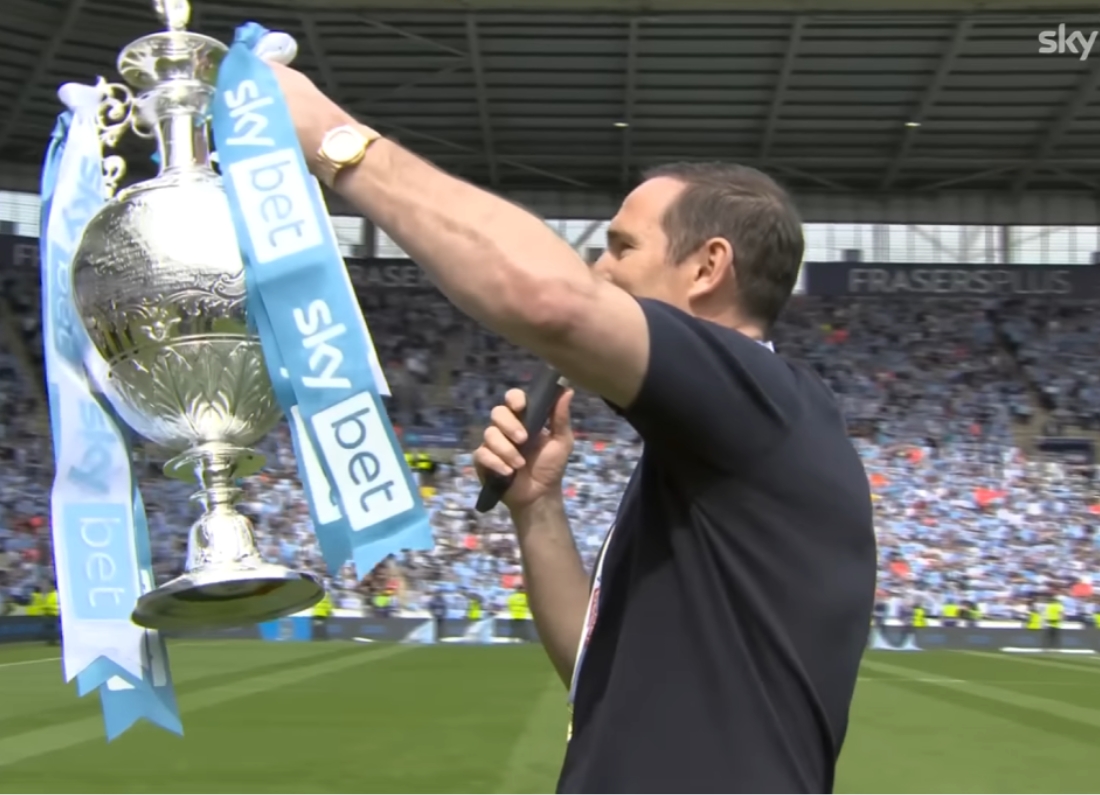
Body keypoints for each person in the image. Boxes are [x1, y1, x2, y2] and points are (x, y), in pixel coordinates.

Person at [270, 63, 877, 793]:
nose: (600, 267)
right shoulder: (711, 455)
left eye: (622, 247)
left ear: (709, 266)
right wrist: (537, 507)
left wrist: (333, 141)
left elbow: (551, 301)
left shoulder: (763, 398)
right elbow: (596, 672)